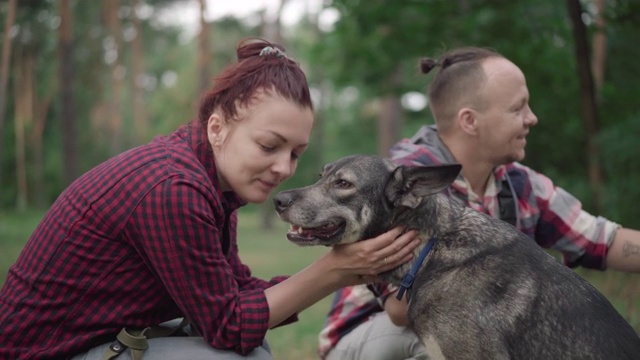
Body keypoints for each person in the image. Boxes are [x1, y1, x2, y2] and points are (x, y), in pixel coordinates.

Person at [0, 38, 420, 360]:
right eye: (269, 146)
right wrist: (334, 269)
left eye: (295, 154)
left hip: (98, 336)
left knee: (254, 349)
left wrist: (355, 269)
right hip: (42, 352)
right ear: (217, 128)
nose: (283, 169)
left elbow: (232, 293)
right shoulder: (173, 188)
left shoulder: (210, 186)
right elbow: (229, 323)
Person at [318, 46, 640, 360]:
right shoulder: (401, 186)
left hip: (469, 321)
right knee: (456, 326)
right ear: (470, 121)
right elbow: (401, 309)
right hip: (372, 333)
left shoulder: (518, 183)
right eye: (518, 109)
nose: (532, 118)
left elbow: (600, 240)